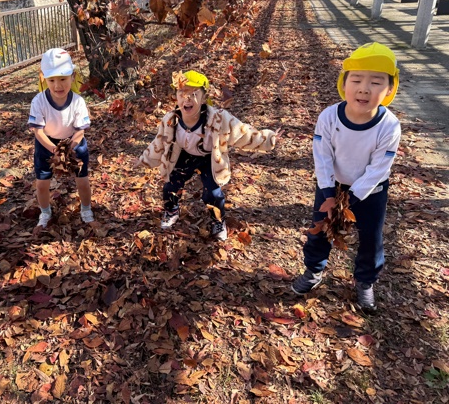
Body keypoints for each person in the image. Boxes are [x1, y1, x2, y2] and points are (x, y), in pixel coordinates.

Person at [291, 43, 401, 313]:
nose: (364, 89)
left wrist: (351, 199)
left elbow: (378, 168)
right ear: (344, 83)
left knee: (370, 237)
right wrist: (329, 194)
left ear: (389, 89)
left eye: (376, 82)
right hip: (333, 186)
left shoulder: (389, 126)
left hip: (370, 192)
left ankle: (365, 281)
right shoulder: (329, 117)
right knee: (320, 230)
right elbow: (322, 155)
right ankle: (314, 270)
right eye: (357, 80)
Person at [136, 70, 279, 240]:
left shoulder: (218, 119)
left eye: (193, 94)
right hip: (183, 156)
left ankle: (218, 220)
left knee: (213, 193)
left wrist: (268, 139)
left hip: (209, 158)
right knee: (170, 185)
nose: (187, 99)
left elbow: (242, 133)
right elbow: (159, 143)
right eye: (182, 93)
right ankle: (172, 210)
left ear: (203, 98)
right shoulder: (171, 120)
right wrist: (144, 160)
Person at [28, 48, 93, 228]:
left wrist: (69, 148)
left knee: (82, 180)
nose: (58, 85)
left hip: (73, 142)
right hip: (46, 144)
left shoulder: (78, 101)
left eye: (63, 79)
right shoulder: (38, 101)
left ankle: (86, 209)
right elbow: (38, 132)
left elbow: (80, 131)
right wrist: (54, 149)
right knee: (42, 184)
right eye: (52, 80)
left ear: (72, 77)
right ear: (44, 79)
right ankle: (45, 212)